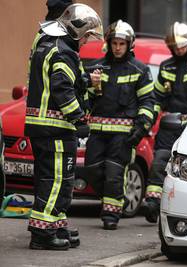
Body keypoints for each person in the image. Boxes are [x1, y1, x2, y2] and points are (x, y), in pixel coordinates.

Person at [25, 3, 103, 250]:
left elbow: (64, 81)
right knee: (58, 180)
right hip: (56, 128)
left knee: (51, 178)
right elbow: (62, 89)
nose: (86, 41)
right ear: (78, 31)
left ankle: (55, 225)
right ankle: (42, 234)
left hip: (43, 127)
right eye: (87, 36)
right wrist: (79, 118)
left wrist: (85, 81)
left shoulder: (46, 44)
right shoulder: (64, 51)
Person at [83, 20, 155, 230]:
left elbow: (148, 101)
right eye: (114, 43)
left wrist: (141, 128)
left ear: (129, 44)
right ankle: (115, 199)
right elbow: (86, 100)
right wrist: (91, 86)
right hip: (97, 132)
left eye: (122, 44)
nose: (117, 47)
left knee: (114, 174)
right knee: (92, 171)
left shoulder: (140, 70)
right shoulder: (97, 68)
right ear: (109, 43)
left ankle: (111, 215)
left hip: (123, 135)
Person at [143, 22, 187, 223]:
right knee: (159, 162)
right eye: (174, 47)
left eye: (181, 46)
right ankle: (152, 202)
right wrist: (147, 120)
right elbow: (157, 97)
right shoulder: (167, 66)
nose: (178, 50)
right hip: (169, 126)